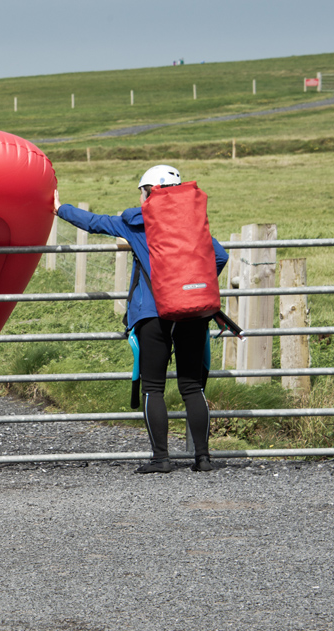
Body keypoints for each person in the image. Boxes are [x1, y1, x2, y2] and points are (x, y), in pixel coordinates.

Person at [54, 165, 228, 474]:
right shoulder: (192, 223)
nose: (139, 195)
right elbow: (220, 256)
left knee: (153, 388)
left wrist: (59, 209)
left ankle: (161, 459)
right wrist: (193, 286)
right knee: (192, 388)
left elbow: (94, 223)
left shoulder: (135, 222)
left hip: (152, 314)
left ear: (151, 191)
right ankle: (202, 458)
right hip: (191, 312)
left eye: (141, 189)